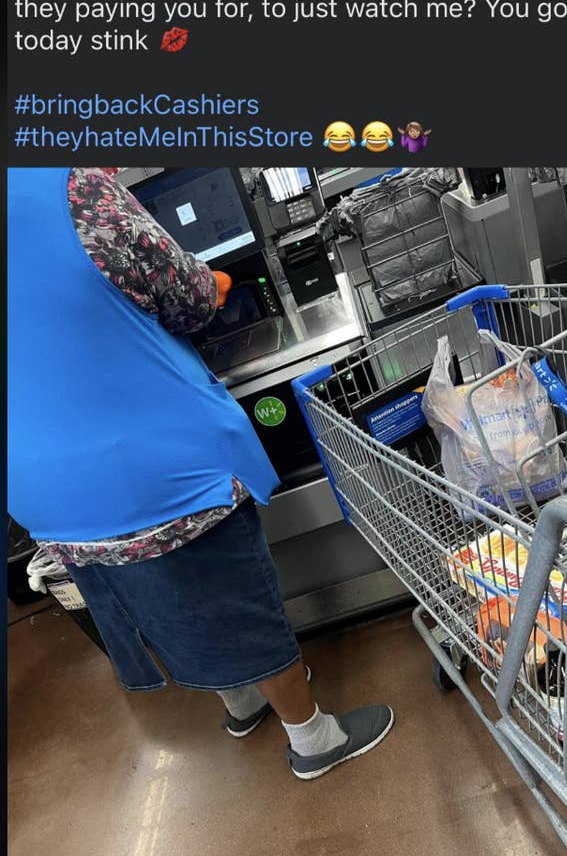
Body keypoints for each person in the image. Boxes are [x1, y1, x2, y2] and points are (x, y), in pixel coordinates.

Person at [7, 168, 394, 779]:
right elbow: (187, 299)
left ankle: (241, 702)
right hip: (153, 465)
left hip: (43, 493)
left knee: (164, 600)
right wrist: (212, 286)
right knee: (230, 596)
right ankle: (314, 739)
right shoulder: (72, 189)